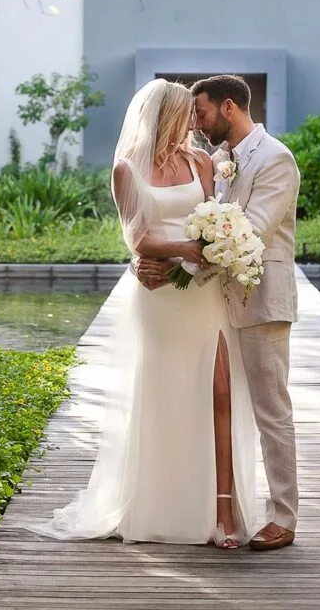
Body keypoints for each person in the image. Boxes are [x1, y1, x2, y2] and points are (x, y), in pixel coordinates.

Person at [27, 78, 256, 548]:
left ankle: (224, 512)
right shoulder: (126, 169)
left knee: (219, 390)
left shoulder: (200, 162)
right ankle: (161, 504)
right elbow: (137, 238)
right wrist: (186, 249)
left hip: (202, 293)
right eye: (185, 114)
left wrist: (211, 250)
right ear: (165, 115)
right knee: (164, 395)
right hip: (160, 297)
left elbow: (217, 214)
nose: (194, 121)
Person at [136, 74, 300, 551]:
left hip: (261, 299)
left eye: (202, 114)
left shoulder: (275, 159)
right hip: (216, 301)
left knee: (271, 410)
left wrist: (174, 269)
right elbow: (201, 222)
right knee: (221, 405)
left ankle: (284, 519)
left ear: (229, 108)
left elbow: (246, 232)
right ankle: (216, 507)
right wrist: (152, 262)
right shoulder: (222, 161)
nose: (197, 125)